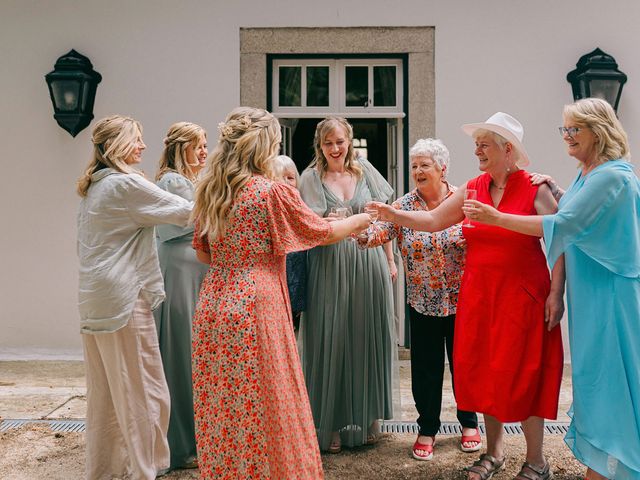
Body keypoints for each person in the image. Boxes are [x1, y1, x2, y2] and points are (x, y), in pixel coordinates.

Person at [369, 112, 565, 480]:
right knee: (486, 373)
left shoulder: (535, 188)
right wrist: (391, 213)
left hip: (523, 295)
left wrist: (557, 291)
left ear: (508, 150)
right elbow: (431, 221)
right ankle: (494, 453)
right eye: (476, 143)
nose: (476, 149)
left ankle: (537, 460)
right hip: (479, 296)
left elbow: (560, 238)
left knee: (526, 373)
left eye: (484, 143)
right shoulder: (473, 187)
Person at [190, 107, 373, 480]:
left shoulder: (211, 190)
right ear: (262, 147)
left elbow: (203, 251)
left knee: (227, 404)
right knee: (270, 399)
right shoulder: (271, 191)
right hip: (258, 302)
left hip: (214, 302)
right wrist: (363, 218)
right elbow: (321, 232)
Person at [463, 98, 640, 480]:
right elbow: (572, 211)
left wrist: (496, 217)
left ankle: (617, 464)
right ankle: (606, 462)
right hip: (589, 294)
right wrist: (559, 189)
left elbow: (565, 223)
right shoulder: (588, 174)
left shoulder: (612, 175)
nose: (567, 136)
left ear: (599, 131)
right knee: (593, 376)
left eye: (575, 129)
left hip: (610, 294)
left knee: (613, 374)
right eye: (566, 129)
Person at [76, 115, 194, 480]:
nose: (144, 146)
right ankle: (143, 472)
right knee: (145, 393)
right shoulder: (125, 185)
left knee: (107, 396)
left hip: (94, 299)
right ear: (118, 146)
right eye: (137, 139)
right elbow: (188, 212)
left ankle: (108, 472)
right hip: (124, 298)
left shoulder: (97, 185)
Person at [359, 138, 480, 461]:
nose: (418, 171)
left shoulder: (463, 201)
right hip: (422, 303)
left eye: (425, 165)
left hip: (463, 302)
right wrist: (351, 226)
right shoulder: (401, 206)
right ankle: (427, 429)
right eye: (414, 166)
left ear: (443, 168)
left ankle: (469, 421)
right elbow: (377, 234)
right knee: (425, 370)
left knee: (464, 365)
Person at [298, 116, 397, 454]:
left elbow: (385, 216)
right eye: (329, 143)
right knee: (332, 336)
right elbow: (305, 224)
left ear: (349, 140)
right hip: (329, 264)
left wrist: (390, 259)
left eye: (340, 141)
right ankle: (332, 422)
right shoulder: (310, 178)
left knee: (366, 333)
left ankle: (369, 417)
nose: (336, 148)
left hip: (367, 261)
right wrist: (326, 222)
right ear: (320, 145)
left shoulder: (364, 170)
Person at [153, 121, 208, 470]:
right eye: (198, 145)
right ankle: (179, 444)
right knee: (180, 354)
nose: (204, 150)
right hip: (179, 273)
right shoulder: (172, 181)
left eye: (205, 144)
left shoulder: (192, 182)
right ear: (180, 148)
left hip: (195, 273)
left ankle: (194, 439)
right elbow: (179, 223)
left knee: (193, 355)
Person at [273, 154, 307, 333]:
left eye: (291, 178)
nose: (286, 182)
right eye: (281, 177)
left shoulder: (302, 205)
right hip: (278, 275)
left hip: (299, 275)